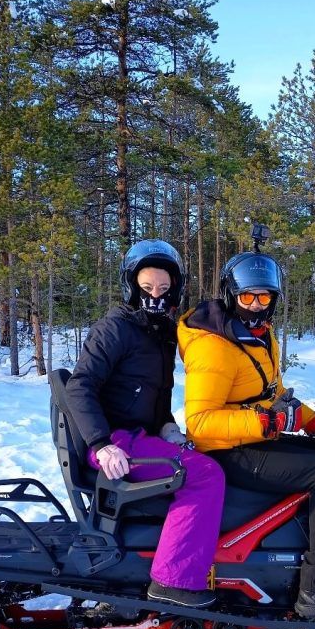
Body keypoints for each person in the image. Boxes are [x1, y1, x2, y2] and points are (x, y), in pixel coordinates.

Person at [177, 249, 315, 622]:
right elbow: (199, 424)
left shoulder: (259, 336)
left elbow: (274, 396)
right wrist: (264, 423)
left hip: (251, 438)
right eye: (247, 296)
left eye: (263, 297)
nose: (255, 305)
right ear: (231, 295)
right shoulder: (214, 345)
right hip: (225, 451)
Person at [66, 239, 224, 608]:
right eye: (147, 287)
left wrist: (168, 426)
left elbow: (153, 395)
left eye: (164, 289)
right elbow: (80, 385)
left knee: (208, 457)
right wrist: (101, 444)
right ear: (132, 285)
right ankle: (174, 580)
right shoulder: (116, 327)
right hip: (115, 441)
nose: (156, 295)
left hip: (139, 435)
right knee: (204, 474)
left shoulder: (160, 333)